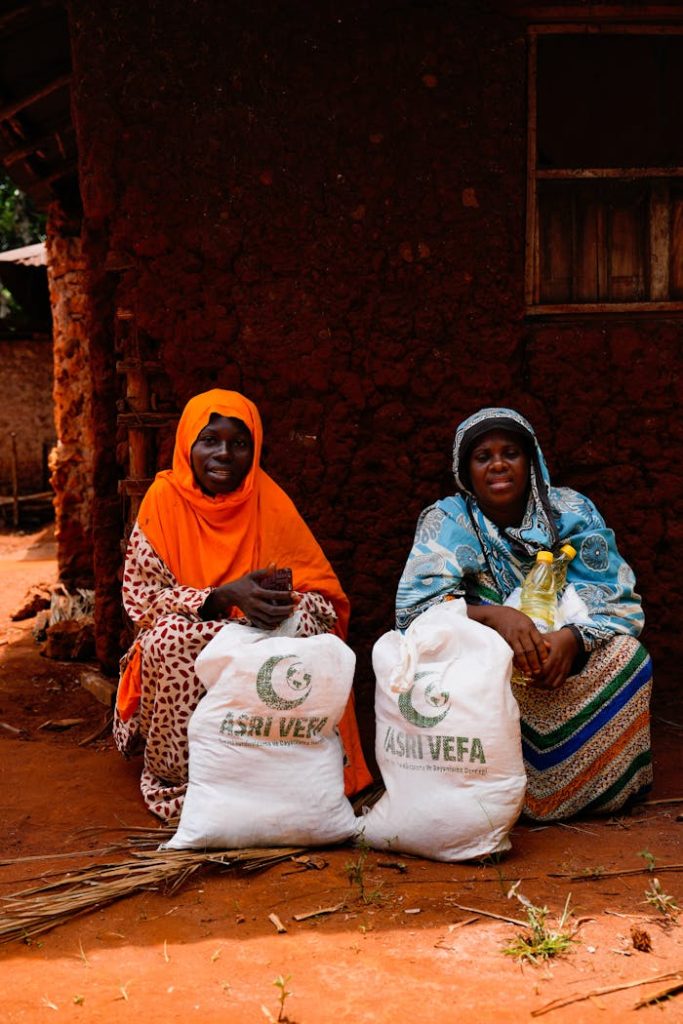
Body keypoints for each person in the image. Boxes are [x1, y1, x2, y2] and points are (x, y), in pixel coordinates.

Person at [114, 389, 372, 820]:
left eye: (239, 443)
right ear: (187, 445)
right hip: (194, 636)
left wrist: (280, 604)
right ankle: (184, 780)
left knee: (309, 627)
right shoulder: (164, 502)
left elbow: (325, 602)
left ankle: (277, 773)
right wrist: (220, 597)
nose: (224, 454)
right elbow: (141, 601)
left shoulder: (268, 501)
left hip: (259, 635)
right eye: (210, 440)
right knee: (165, 640)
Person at [396, 407, 652, 821]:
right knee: (435, 674)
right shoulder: (448, 520)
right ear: (467, 471)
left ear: (530, 461)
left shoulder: (571, 511)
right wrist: (495, 618)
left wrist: (570, 640)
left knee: (629, 656)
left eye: (510, 453)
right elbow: (414, 614)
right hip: (490, 671)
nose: (498, 465)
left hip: (562, 661)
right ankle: (504, 794)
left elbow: (616, 599)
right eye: (483, 457)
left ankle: (597, 786)